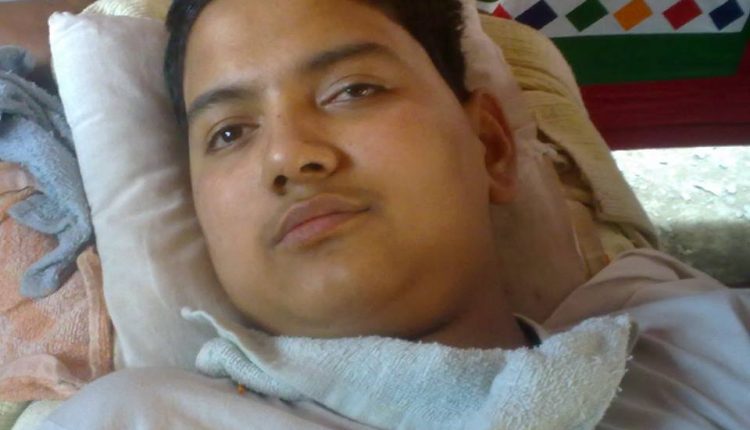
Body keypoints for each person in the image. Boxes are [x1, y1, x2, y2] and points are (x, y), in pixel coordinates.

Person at [38, 0, 749, 429]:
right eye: (229, 132)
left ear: (492, 147)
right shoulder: (131, 418)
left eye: (352, 90)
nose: (287, 156)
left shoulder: (709, 345)